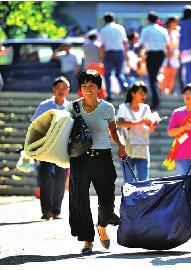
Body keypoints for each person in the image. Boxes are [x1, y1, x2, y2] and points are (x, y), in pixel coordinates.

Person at [66, 70, 127, 254]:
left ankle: (102, 226)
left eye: (91, 85)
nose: (87, 89)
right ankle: (87, 240)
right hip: (80, 159)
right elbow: (64, 133)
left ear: (99, 88)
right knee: (80, 199)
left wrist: (121, 146)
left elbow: (113, 131)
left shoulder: (107, 108)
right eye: (84, 86)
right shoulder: (73, 107)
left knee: (107, 197)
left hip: (102, 157)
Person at [31, 77, 70, 220]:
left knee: (60, 179)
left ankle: (56, 209)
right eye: (58, 87)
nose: (61, 90)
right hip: (46, 148)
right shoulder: (44, 105)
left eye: (64, 87)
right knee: (45, 178)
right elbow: (34, 124)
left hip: (63, 150)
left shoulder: (71, 108)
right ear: (53, 89)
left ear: (68, 90)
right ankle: (47, 211)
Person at [117, 82, 158, 183]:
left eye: (144, 93)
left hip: (142, 146)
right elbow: (121, 123)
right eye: (141, 93)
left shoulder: (146, 108)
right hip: (127, 148)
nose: (143, 95)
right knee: (129, 182)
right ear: (133, 93)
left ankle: (142, 199)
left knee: (144, 181)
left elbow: (149, 127)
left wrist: (153, 124)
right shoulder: (123, 107)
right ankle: (129, 199)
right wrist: (140, 121)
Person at [139, 11, 169, 108]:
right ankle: (156, 97)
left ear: (148, 20)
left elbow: (141, 44)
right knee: (155, 77)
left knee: (152, 78)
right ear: (157, 20)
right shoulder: (163, 30)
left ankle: (156, 101)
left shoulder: (146, 30)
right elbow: (168, 45)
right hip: (161, 54)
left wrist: (140, 57)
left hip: (151, 54)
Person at [99, 12, 129, 101]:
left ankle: (109, 94)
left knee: (107, 75)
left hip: (109, 53)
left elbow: (102, 45)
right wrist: (126, 54)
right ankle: (125, 88)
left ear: (105, 20)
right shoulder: (120, 28)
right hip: (120, 52)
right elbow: (125, 43)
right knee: (119, 74)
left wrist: (101, 56)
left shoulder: (104, 30)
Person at [159, 16, 180, 94]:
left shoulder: (177, 33)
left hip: (174, 57)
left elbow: (178, 45)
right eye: (175, 22)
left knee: (172, 76)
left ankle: (170, 92)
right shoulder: (164, 32)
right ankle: (163, 92)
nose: (176, 24)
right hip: (165, 57)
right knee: (165, 75)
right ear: (171, 23)